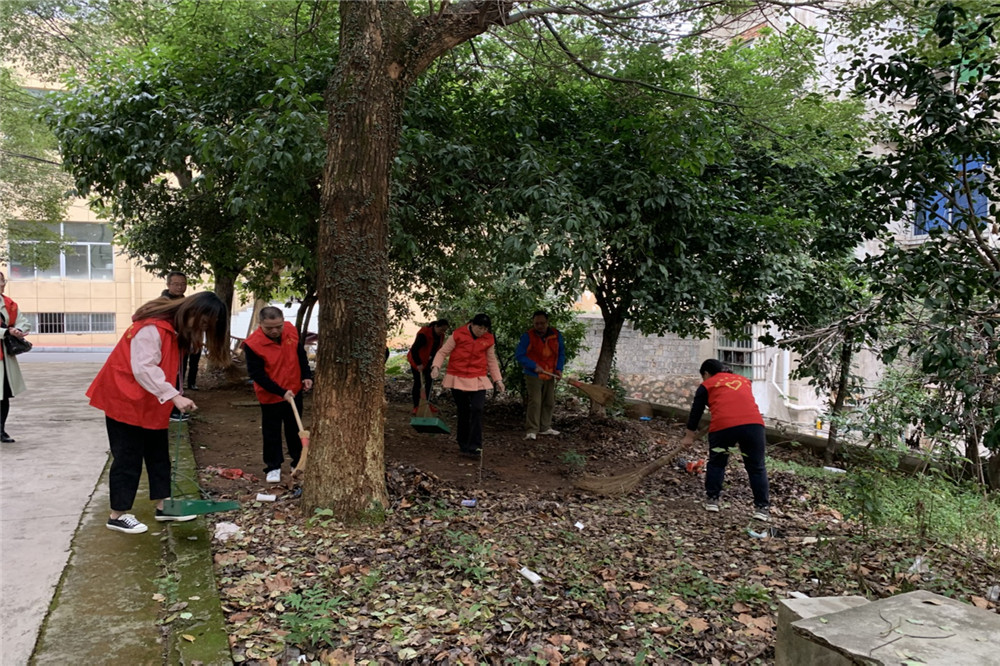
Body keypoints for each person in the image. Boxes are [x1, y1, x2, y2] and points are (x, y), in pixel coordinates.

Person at [87, 292, 230, 534]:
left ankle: (164, 506)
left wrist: (172, 394)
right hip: (124, 398)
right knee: (127, 457)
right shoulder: (152, 328)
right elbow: (143, 368)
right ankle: (117, 515)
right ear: (192, 311)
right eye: (203, 323)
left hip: (150, 401)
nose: (202, 330)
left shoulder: (173, 331)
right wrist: (174, 396)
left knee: (158, 455)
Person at [680, 358, 771, 522]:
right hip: (754, 425)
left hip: (724, 425)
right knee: (757, 467)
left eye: (703, 376)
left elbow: (696, 411)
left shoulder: (707, 385)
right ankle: (762, 508)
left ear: (706, 373)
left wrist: (689, 436)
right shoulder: (744, 380)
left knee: (717, 463)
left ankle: (712, 500)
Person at [241, 307, 313, 483]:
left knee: (295, 429)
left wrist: (306, 375)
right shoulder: (252, 344)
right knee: (271, 431)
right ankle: (273, 467)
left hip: (294, 390)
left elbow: (300, 355)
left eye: (278, 326)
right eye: (269, 328)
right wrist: (281, 392)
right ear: (260, 324)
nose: (275, 331)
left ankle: (297, 463)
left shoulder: (290, 331)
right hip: (270, 395)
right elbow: (257, 375)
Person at [431, 314, 505, 458]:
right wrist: (436, 367)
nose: (482, 331)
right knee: (464, 411)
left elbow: (491, 360)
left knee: (477, 409)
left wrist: (498, 380)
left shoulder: (488, 339)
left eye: (485, 329)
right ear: (472, 324)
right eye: (479, 328)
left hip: (478, 378)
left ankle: (475, 447)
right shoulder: (458, 334)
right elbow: (443, 352)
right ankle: (463, 443)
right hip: (457, 377)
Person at [515, 310, 565, 441]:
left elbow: (561, 353)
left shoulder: (556, 334)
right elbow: (520, 355)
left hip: (550, 373)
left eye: (542, 323)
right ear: (533, 323)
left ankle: (545, 427)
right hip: (533, 374)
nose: (539, 326)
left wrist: (559, 369)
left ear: (547, 323)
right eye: (536, 323)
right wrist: (533, 365)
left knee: (549, 401)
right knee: (535, 402)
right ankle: (532, 430)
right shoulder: (528, 336)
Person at [0, 272, 30, 443]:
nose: (2, 284)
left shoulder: (9, 304)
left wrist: (18, 329)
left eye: (2, 281)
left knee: (3, 395)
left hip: (4, 357)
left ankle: (1, 430)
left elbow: (23, 321)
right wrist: (6, 331)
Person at [161, 272, 202, 391]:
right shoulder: (163, 303)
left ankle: (187, 386)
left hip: (190, 338)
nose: (180, 287)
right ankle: (174, 392)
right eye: (176, 284)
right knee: (176, 367)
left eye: (183, 284)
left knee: (190, 363)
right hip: (172, 341)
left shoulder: (187, 302)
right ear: (168, 285)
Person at [406, 319, 449, 413]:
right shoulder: (424, 334)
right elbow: (414, 350)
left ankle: (427, 403)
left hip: (429, 361)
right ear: (436, 326)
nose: (442, 332)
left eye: (444, 331)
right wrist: (418, 364)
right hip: (416, 359)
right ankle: (416, 406)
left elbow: (438, 350)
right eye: (441, 330)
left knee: (430, 382)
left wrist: (435, 364)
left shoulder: (441, 336)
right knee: (418, 383)